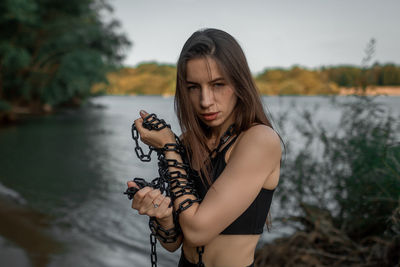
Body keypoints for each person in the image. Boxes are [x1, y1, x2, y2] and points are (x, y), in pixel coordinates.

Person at [127, 28, 281, 267]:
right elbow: (175, 242)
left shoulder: (259, 140)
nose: (205, 101)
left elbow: (198, 231)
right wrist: (164, 215)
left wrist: (169, 146)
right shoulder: (190, 142)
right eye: (193, 87)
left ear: (239, 83)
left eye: (218, 84)